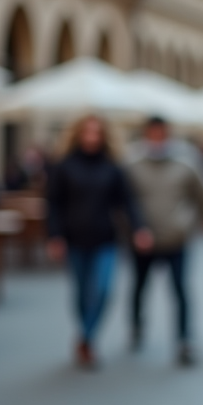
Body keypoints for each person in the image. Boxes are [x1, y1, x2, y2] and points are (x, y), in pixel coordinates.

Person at [47, 115, 150, 369]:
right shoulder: (65, 166)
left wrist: (139, 229)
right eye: (87, 132)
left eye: (96, 133)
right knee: (82, 293)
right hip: (75, 239)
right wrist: (54, 236)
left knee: (103, 290)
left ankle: (87, 337)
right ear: (79, 134)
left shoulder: (112, 167)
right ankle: (86, 336)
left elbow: (127, 201)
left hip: (105, 238)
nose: (92, 137)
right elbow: (54, 204)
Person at [124, 116, 203, 367]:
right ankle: (136, 326)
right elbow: (123, 199)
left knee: (180, 290)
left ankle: (184, 340)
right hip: (143, 238)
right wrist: (132, 229)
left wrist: (189, 223)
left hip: (177, 238)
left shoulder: (187, 160)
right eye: (152, 133)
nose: (157, 138)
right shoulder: (132, 162)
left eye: (161, 133)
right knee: (140, 287)